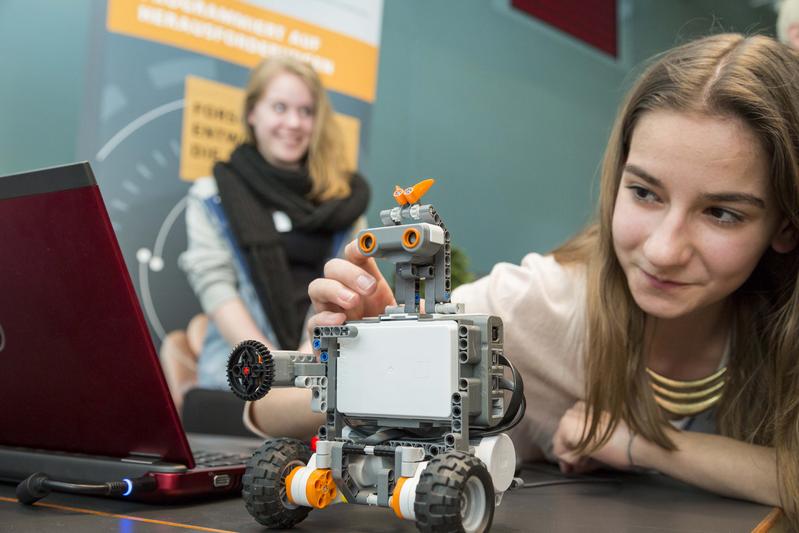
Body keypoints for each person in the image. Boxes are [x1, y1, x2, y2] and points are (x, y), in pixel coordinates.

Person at [245, 34, 799, 526]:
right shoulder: (538, 302)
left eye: (722, 213)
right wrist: (368, 364)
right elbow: (265, 410)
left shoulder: (782, 325)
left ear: (785, 225)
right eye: (645, 193)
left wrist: (639, 445)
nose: (663, 249)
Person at [161, 56, 369, 410]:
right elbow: (216, 288)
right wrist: (272, 371)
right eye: (280, 107)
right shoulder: (211, 195)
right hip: (239, 382)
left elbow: (343, 296)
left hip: (320, 384)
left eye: (305, 111)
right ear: (252, 113)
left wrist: (307, 368)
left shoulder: (344, 203)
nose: (293, 122)